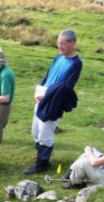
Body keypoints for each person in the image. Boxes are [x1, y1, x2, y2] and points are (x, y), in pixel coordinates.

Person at [24, 29, 83, 175]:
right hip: (41, 98)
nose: (59, 47)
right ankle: (40, 158)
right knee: (35, 131)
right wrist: (38, 90)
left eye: (63, 44)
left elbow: (67, 87)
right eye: (58, 43)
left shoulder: (76, 63)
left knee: (45, 133)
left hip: (53, 102)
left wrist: (47, 96)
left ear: (72, 43)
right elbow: (47, 76)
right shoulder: (58, 58)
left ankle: (42, 164)